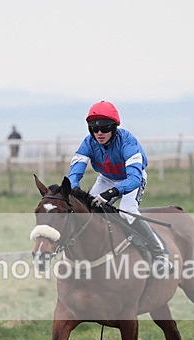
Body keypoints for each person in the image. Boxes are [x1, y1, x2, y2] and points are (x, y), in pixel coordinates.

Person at [67, 100, 172, 275]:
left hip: (131, 179)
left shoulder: (127, 141)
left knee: (126, 211)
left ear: (114, 127)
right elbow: (75, 173)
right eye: (94, 128)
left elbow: (134, 178)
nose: (99, 133)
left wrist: (112, 193)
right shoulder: (88, 142)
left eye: (105, 128)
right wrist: (72, 190)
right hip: (106, 178)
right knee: (87, 210)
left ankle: (160, 253)